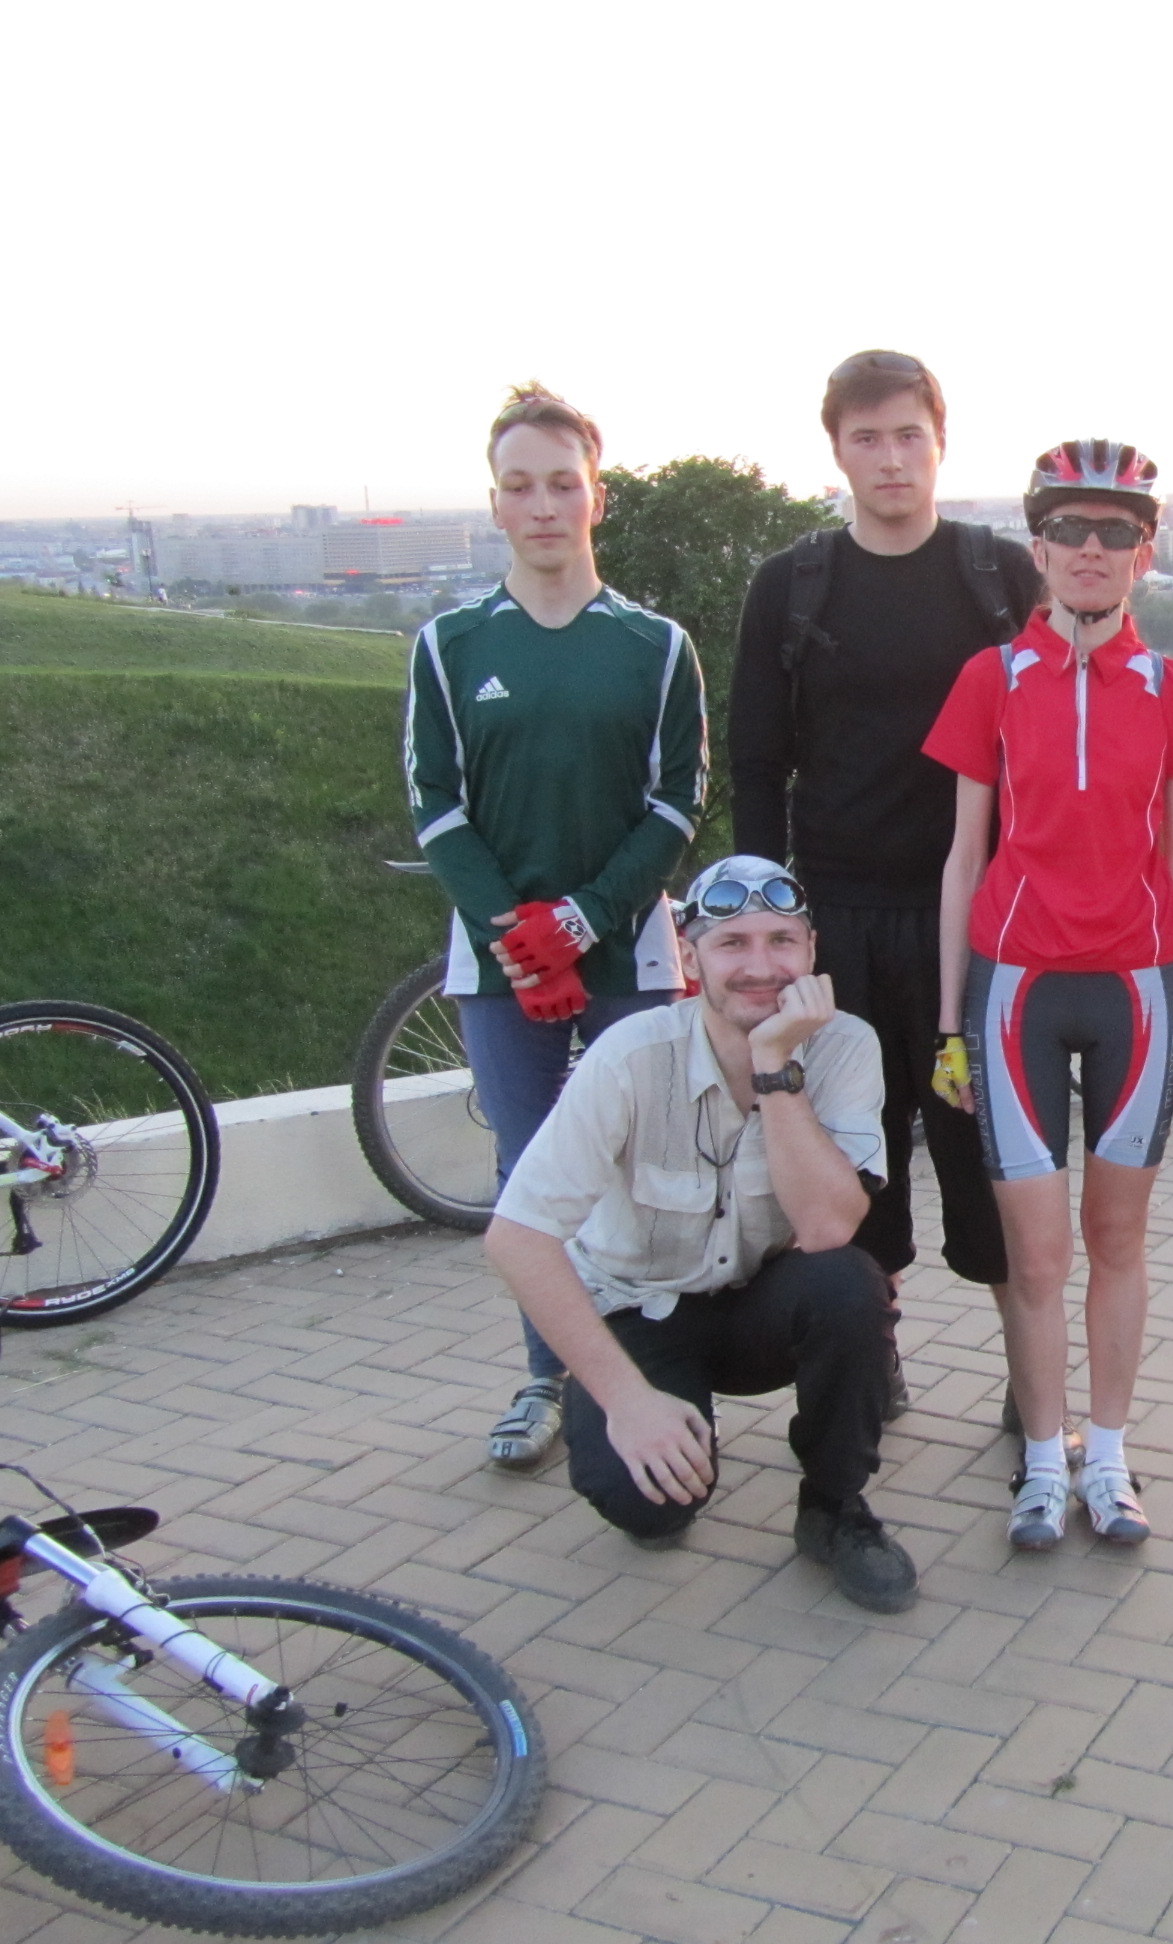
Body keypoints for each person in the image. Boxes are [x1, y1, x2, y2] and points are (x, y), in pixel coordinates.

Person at [925, 441, 1173, 1550]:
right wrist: (949, 1024)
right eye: (1069, 529)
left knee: (1118, 1237)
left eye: (1115, 533)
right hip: (1015, 989)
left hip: (1138, 992)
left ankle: (1109, 1459)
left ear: (1145, 552)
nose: (1090, 550)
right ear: (1038, 547)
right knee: (1038, 1253)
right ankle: (1042, 1462)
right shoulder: (992, 678)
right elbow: (964, 857)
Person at [728, 352, 1042, 1418]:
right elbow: (758, 764)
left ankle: (1029, 1386)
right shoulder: (792, 584)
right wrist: (767, 931)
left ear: (940, 442)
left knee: (994, 1161)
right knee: (857, 1161)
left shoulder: (1001, 576)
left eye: (909, 434)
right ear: (837, 451)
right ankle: (875, 1359)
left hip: (981, 923)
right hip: (840, 920)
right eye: (867, 438)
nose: (891, 458)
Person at [484, 855, 917, 1612]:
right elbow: (517, 1238)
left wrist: (776, 1064)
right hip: (642, 1310)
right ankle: (654, 1416)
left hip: (761, 1304)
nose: (762, 967)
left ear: (811, 952)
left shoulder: (845, 1045)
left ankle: (834, 1507)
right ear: (689, 959)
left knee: (852, 1284)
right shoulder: (630, 1056)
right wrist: (627, 1401)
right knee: (649, 1508)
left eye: (781, 942)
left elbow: (827, 1228)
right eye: (732, 944)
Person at [405, 383, 706, 1471]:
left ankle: (664, 1375)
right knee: (530, 1176)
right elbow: (434, 801)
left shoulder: (655, 645)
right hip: (498, 968)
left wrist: (582, 919)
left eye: (562, 485)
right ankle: (547, 1378)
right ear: (494, 503)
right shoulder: (447, 644)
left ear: (597, 497)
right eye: (520, 486)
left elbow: (679, 800)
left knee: (654, 1168)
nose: (543, 506)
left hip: (630, 953)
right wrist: (516, 933)